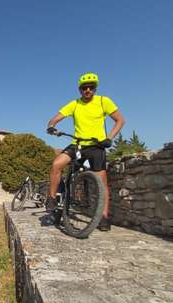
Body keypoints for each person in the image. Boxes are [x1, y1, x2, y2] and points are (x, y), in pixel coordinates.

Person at [46, 72, 125, 231]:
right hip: (78, 144)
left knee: (102, 183)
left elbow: (120, 120)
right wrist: (52, 127)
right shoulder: (74, 104)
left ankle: (103, 217)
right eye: (84, 88)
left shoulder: (104, 101)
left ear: (95, 88)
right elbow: (54, 119)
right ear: (79, 90)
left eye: (91, 87)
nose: (88, 90)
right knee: (56, 164)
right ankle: (52, 199)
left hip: (96, 146)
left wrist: (109, 137)